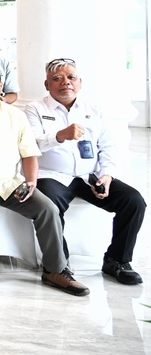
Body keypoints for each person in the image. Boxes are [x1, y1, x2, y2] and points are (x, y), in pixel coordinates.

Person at [0, 65, 89, 297]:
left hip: (9, 182)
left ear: (1, 86)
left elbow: (29, 152)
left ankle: (55, 270)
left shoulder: (16, 115)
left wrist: (31, 181)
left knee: (47, 208)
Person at [25, 58, 146, 285]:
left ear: (80, 82)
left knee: (134, 201)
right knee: (49, 206)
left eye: (71, 77)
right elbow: (31, 144)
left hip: (89, 176)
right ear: (47, 84)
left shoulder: (94, 109)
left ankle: (117, 260)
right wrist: (60, 135)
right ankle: (57, 265)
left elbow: (108, 147)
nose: (65, 82)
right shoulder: (35, 109)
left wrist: (106, 175)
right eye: (57, 78)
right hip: (52, 175)